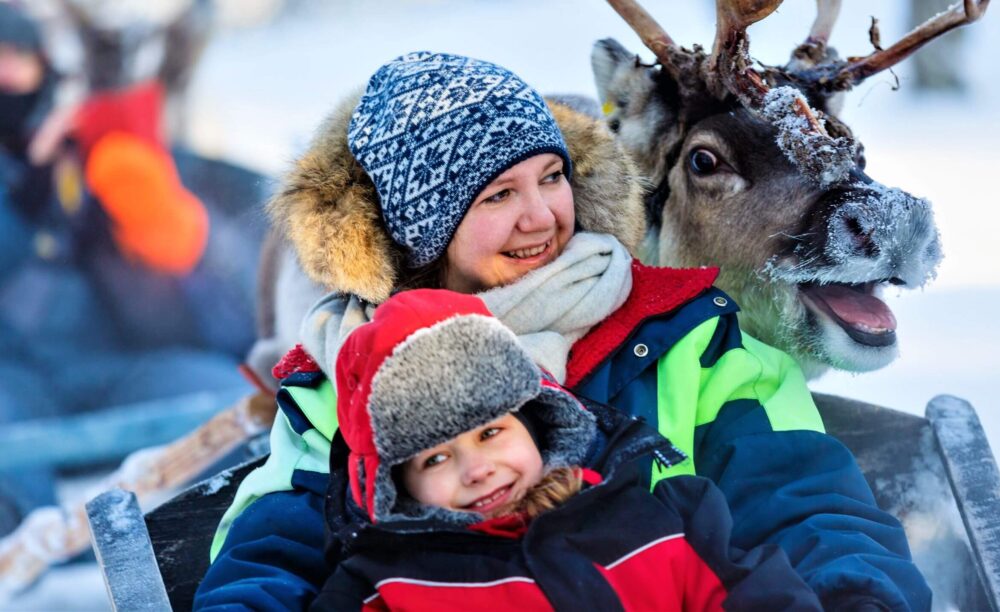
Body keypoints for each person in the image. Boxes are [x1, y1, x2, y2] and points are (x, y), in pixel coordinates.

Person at [195, 51, 931, 610]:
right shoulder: (345, 379)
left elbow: (805, 501)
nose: (542, 216)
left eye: (552, 177)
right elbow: (271, 548)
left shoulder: (683, 337)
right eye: (498, 195)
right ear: (424, 232)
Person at [304, 288, 821, 610]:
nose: (477, 469)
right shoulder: (384, 587)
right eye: (435, 458)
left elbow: (754, 592)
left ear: (537, 423)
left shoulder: (652, 521)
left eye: (490, 433)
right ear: (396, 483)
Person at [0, 3, 256, 533]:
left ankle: (241, 524)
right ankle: (19, 540)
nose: (4, 75)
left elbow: (186, 250)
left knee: (230, 403)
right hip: (12, 381)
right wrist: (22, 208)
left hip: (116, 369)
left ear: (43, 65)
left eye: (13, 58)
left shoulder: (96, 150)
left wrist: (112, 200)